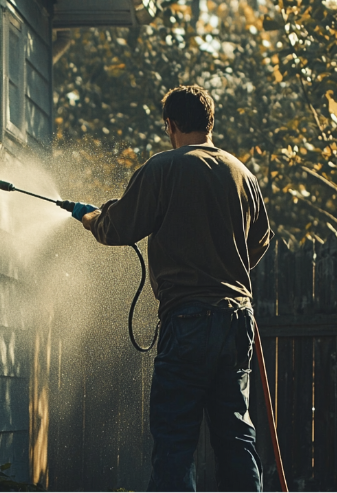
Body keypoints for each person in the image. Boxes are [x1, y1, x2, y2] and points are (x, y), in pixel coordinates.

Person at [72, 85, 273, 493]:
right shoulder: (242, 174)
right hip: (237, 322)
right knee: (236, 438)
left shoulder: (163, 168)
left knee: (176, 441)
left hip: (188, 323)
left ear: (171, 125)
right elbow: (261, 241)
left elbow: (118, 227)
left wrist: (92, 218)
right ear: (209, 122)